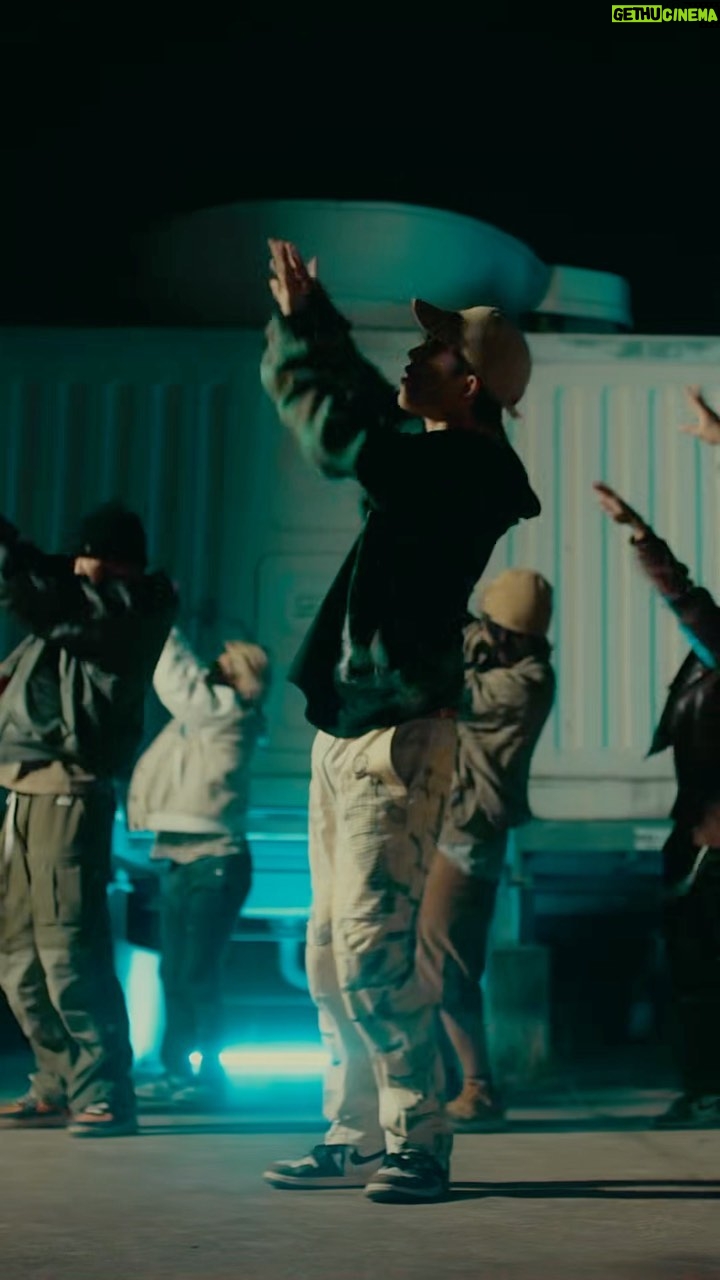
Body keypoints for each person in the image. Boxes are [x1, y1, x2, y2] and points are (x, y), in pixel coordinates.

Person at [259, 239, 541, 1203]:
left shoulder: (469, 470)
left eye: (433, 350)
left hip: (399, 737)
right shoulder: (438, 457)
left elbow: (348, 433)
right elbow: (374, 415)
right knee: (327, 955)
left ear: (471, 385)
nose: (413, 357)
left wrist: (300, 339)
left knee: (374, 955)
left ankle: (419, 1136)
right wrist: (314, 320)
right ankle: (354, 1133)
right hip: (348, 729)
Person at [0, 501, 177, 1137]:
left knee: (69, 948)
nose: (80, 569)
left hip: (70, 793)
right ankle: (56, 1080)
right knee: (18, 955)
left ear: (123, 566)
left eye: (93, 560)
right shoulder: (80, 610)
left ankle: (103, 1090)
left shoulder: (132, 610)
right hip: (22, 792)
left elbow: (50, 607)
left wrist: (15, 554)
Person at [594, 386, 720, 1129]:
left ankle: (708, 1091)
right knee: (693, 970)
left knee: (703, 972)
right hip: (698, 831)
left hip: (713, 839)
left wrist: (642, 535)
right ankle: (704, 1088)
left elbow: (687, 599)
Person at [418, 568, 555, 1128]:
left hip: (469, 835)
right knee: (434, 961)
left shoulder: (527, 682)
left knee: (445, 964)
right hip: (451, 826)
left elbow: (453, 691)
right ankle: (453, 1081)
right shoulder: (502, 658)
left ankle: (477, 1086)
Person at [127, 626, 271, 1108]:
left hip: (216, 861)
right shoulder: (207, 717)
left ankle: (209, 1077)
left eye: (226, 665)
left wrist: (161, 623)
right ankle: (177, 1072)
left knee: (196, 975)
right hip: (182, 859)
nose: (215, 668)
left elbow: (178, 682)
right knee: (175, 973)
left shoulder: (226, 714)